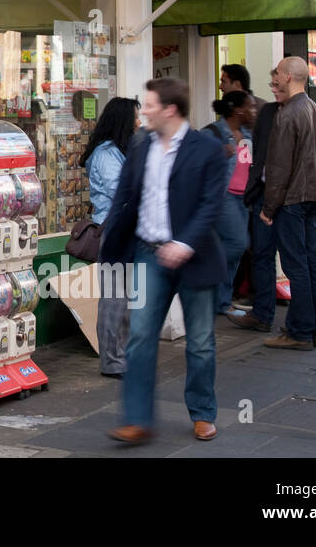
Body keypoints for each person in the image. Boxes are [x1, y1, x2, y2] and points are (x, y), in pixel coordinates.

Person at [99, 77, 227, 445]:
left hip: (195, 257)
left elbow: (211, 205)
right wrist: (114, 240)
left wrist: (185, 242)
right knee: (139, 336)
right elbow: (126, 195)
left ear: (170, 109)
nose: (145, 112)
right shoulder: (140, 146)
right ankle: (137, 420)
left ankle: (203, 413)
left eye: (150, 105)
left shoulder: (207, 149)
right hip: (147, 253)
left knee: (200, 341)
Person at [257, 56, 316, 351]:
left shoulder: (287, 115)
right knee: (312, 262)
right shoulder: (314, 110)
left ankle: (299, 332)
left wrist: (268, 208)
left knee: (296, 264)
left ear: (288, 76)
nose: (276, 80)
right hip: (312, 195)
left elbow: (278, 168)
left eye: (278, 74)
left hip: (292, 199)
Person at [79, 96, 140, 377]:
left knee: (126, 298)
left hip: (128, 230)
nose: (140, 122)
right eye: (136, 117)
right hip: (114, 231)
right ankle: (112, 359)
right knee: (114, 299)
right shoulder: (105, 155)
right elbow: (122, 193)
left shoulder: (122, 151)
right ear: (123, 121)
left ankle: (123, 355)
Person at [228, 70, 286, 333]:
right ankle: (309, 325)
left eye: (276, 83)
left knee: (262, 253)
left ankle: (264, 314)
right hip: (276, 194)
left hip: (269, 195)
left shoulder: (267, 111)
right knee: (264, 253)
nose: (272, 88)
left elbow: (268, 159)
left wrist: (267, 202)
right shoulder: (301, 111)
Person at [204, 91, 256, 315]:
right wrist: (216, 154)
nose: (254, 112)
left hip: (243, 198)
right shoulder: (213, 133)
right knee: (237, 244)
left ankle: (221, 303)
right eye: (251, 107)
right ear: (238, 111)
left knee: (234, 252)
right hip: (222, 197)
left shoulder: (246, 134)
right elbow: (194, 159)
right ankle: (203, 281)